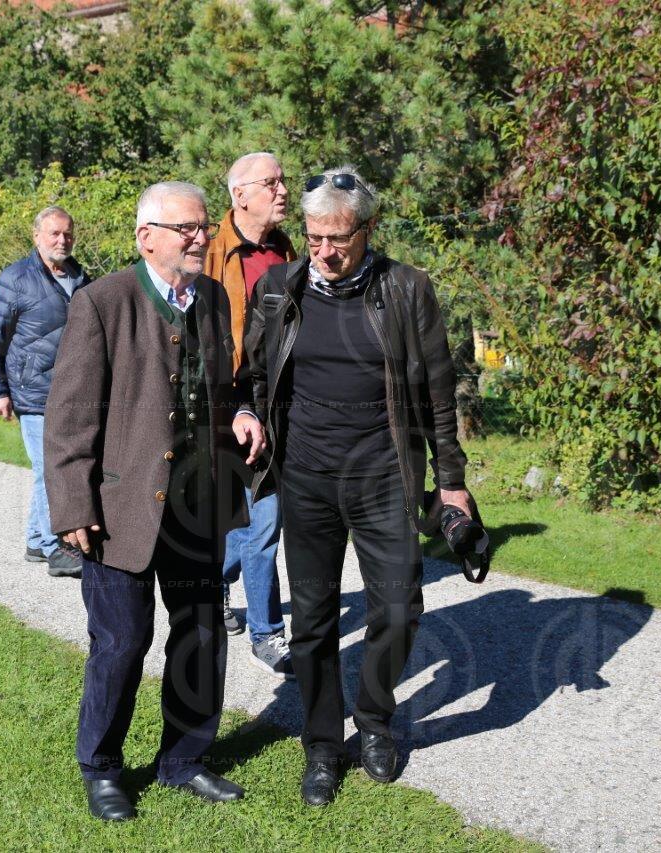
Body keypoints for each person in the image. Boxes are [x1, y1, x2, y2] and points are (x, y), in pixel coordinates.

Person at [241, 165, 473, 805]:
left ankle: (373, 719)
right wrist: (249, 415)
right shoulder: (279, 287)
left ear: (367, 229)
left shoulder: (406, 289)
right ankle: (321, 744)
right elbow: (256, 375)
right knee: (313, 620)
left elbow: (438, 393)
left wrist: (451, 483)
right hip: (307, 479)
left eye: (338, 238)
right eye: (314, 237)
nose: (324, 251)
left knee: (399, 610)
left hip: (383, 478)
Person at [44, 181, 266, 822]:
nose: (201, 237)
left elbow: (224, 386)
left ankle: (183, 760)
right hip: (120, 511)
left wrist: (242, 412)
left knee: (200, 637)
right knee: (121, 642)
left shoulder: (212, 299)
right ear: (147, 238)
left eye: (203, 227)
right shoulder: (102, 302)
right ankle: (102, 768)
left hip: (198, 507)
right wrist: (72, 506)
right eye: (186, 228)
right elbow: (69, 415)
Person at [204, 151, 297, 678]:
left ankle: (224, 586)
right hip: (230, 401)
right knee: (259, 521)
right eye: (271, 182)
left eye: (283, 181)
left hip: (279, 403)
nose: (283, 190)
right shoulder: (213, 249)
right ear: (240, 195)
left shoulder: (286, 248)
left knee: (257, 521)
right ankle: (266, 631)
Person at [0, 206, 91, 578]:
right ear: (36, 236)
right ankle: (57, 548)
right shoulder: (17, 278)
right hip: (33, 392)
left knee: (50, 469)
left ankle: (36, 540)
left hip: (71, 392)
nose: (62, 240)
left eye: (68, 233)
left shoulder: (80, 278)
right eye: (54, 233)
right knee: (51, 470)